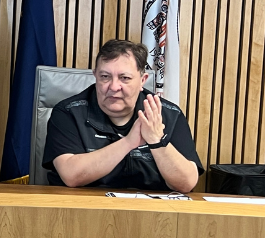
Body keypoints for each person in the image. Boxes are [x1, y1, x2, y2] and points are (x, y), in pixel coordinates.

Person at [43, 39, 202, 192]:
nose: (113, 86)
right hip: (84, 211)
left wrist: (157, 141)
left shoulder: (168, 114)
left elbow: (186, 183)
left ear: (142, 80)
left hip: (153, 214)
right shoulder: (68, 112)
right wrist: (128, 142)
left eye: (124, 78)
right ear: (95, 76)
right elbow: (71, 176)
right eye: (105, 76)